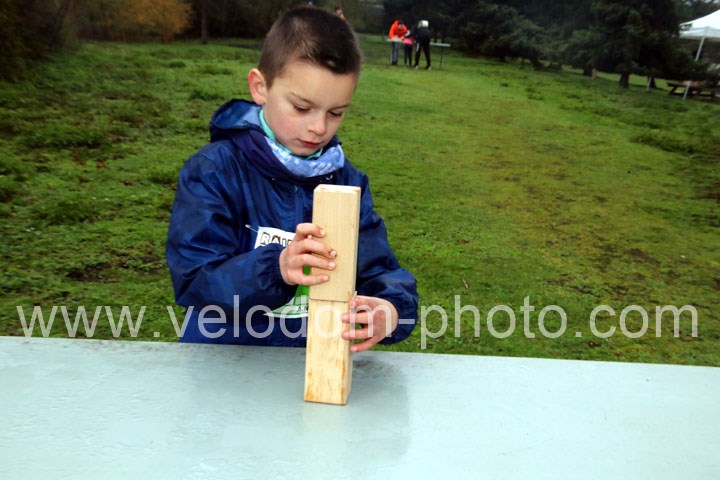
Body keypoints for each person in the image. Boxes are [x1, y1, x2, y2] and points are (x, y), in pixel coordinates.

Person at [166, 6, 418, 352]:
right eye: (301, 108)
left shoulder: (347, 183)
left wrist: (390, 309)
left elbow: (379, 269)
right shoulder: (213, 172)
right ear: (260, 87)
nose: (319, 127)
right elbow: (194, 280)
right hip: (221, 365)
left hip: (311, 369)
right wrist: (277, 268)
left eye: (336, 113)